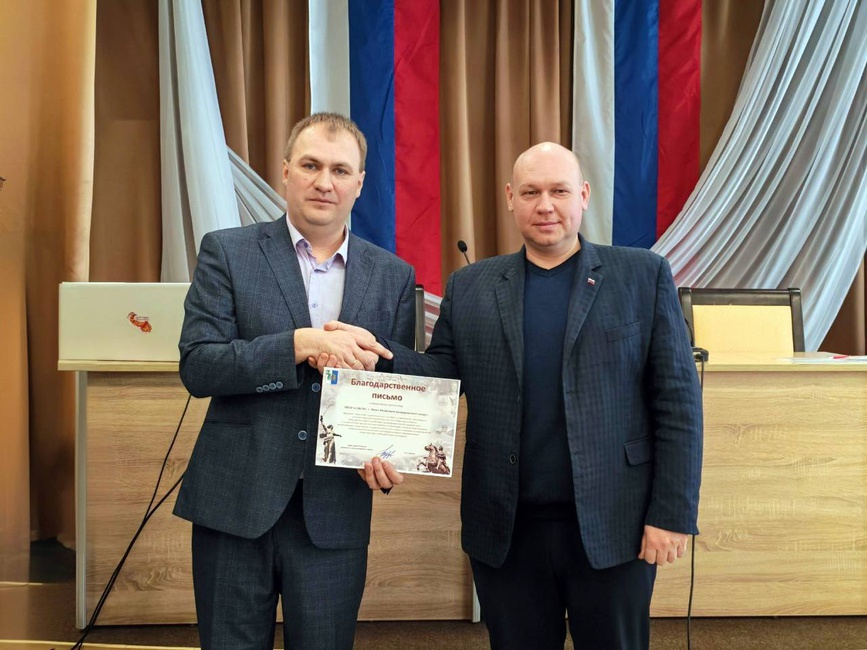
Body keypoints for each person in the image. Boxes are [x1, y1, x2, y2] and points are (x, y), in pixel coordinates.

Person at [322, 142, 703, 649]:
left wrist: (671, 514)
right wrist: (375, 352)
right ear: (509, 198)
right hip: (507, 530)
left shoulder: (642, 274)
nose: (545, 205)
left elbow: (678, 404)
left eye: (559, 191)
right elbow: (440, 376)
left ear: (583, 195)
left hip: (617, 525)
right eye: (530, 192)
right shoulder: (470, 286)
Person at [173, 113, 415, 649]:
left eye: (340, 170)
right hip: (234, 504)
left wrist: (385, 455)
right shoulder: (227, 252)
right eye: (310, 165)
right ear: (285, 172)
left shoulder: (393, 276)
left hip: (334, 512)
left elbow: (391, 387)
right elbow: (199, 366)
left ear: (359, 183)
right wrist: (297, 344)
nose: (324, 182)